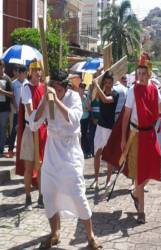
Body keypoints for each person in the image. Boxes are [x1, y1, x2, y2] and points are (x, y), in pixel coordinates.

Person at [29, 70, 101, 250]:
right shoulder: (48, 98)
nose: (56, 91)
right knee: (48, 192)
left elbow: (75, 120)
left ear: (65, 87)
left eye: (59, 88)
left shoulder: (74, 97)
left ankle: (90, 235)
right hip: (52, 152)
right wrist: (46, 102)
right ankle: (55, 232)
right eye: (53, 87)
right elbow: (33, 123)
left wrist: (56, 101)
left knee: (77, 193)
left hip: (70, 152)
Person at [121, 64, 161, 224]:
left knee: (156, 163)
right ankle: (141, 212)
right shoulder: (132, 90)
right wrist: (123, 139)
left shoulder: (154, 90)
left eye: (144, 73)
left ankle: (136, 193)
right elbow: (126, 115)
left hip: (150, 133)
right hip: (137, 134)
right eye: (139, 73)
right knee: (140, 172)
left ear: (149, 73)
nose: (141, 76)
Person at [16, 59, 47, 210]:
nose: (37, 72)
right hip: (30, 131)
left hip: (42, 130)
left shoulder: (44, 88)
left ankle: (41, 196)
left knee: (41, 167)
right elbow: (30, 113)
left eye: (39, 69)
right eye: (34, 70)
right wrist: (43, 105)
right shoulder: (25, 88)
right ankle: (28, 196)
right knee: (29, 167)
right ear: (30, 72)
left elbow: (47, 114)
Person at [91, 71, 119, 190]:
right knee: (97, 154)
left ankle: (108, 181)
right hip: (100, 127)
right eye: (106, 82)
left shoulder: (115, 94)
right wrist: (97, 78)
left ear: (113, 82)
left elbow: (106, 100)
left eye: (109, 82)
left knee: (108, 156)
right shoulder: (99, 91)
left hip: (109, 128)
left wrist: (97, 85)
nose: (107, 84)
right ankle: (96, 180)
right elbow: (93, 98)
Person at [6, 65, 29, 158]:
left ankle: (22, 150)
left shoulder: (27, 83)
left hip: (26, 112)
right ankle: (10, 150)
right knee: (14, 131)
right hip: (17, 111)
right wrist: (17, 108)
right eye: (24, 73)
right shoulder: (14, 83)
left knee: (24, 131)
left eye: (26, 73)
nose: (26, 74)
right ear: (20, 73)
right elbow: (13, 97)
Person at [0, 60, 13, 157]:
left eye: (1, 67)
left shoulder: (8, 79)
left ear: (4, 68)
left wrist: (2, 91)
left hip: (4, 109)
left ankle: (1, 149)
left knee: (3, 129)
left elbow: (12, 94)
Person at [79, 83, 91, 158]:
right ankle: (83, 151)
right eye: (81, 88)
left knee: (84, 135)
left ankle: (86, 151)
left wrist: (82, 109)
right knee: (81, 136)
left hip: (85, 119)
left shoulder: (85, 97)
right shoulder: (76, 97)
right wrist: (84, 109)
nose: (82, 89)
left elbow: (89, 108)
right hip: (79, 119)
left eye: (83, 88)